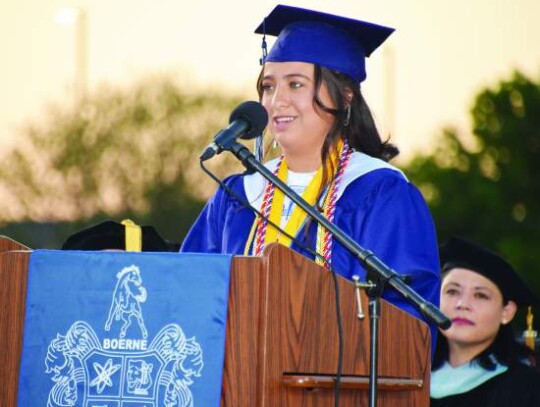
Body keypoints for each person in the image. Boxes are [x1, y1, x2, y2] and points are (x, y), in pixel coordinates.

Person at [181, 4, 441, 345]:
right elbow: (186, 293)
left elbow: (411, 325)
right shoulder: (237, 196)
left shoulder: (381, 194)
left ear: (345, 95)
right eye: (269, 86)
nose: (277, 101)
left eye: (296, 84)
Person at [431, 236, 540, 406]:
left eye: (480, 295)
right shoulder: (409, 379)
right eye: (452, 291)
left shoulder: (526, 389)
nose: (462, 304)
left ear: (507, 312)